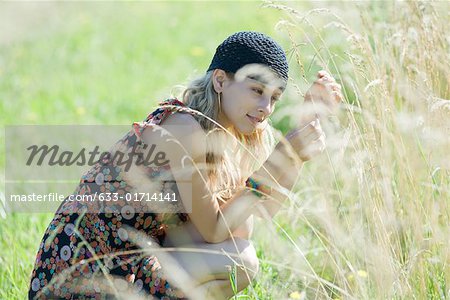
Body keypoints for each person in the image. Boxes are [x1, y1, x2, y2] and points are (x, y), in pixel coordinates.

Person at [28, 31, 342, 299]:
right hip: (81, 275)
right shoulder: (184, 128)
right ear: (220, 80)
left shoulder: (226, 137)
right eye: (257, 91)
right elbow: (217, 230)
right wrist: (285, 152)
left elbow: (247, 222)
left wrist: (299, 148)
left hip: (126, 262)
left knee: (239, 253)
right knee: (239, 261)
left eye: (274, 97)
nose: (265, 108)